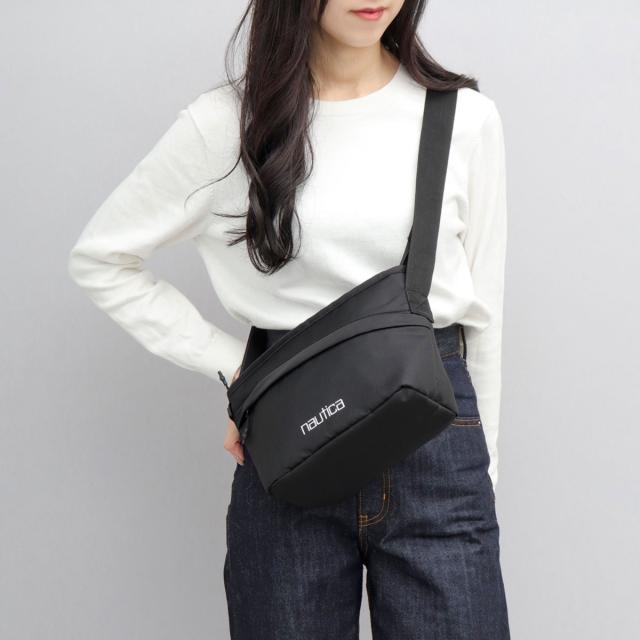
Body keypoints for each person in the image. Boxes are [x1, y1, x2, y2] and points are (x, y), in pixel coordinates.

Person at [67, 1, 510, 637]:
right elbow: (102, 258)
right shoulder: (224, 124)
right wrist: (239, 371)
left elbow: (482, 319)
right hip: (291, 436)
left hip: (439, 444)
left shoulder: (463, 119)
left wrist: (480, 474)